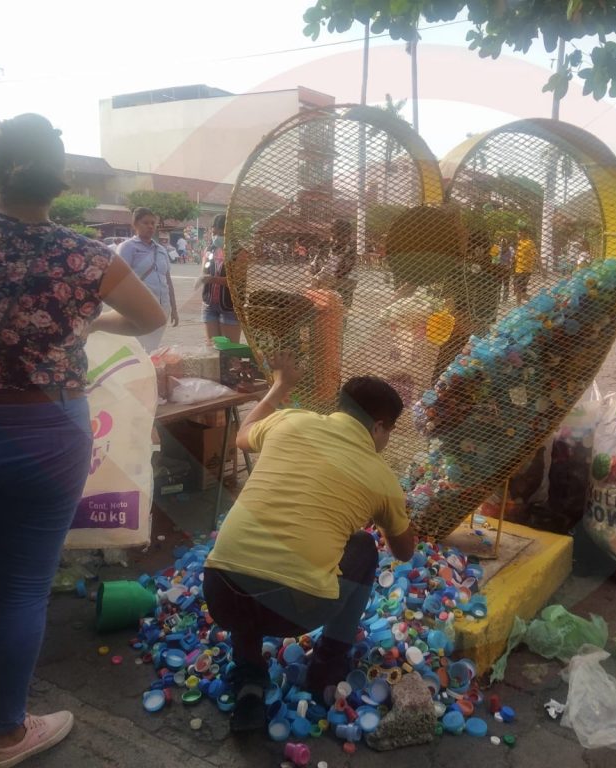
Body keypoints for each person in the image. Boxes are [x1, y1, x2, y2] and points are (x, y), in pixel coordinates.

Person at [0, 113, 165, 768]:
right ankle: (6, 734)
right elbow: (151, 317)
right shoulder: (88, 257)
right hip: (47, 430)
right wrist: (87, 322)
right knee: (25, 585)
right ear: (60, 181)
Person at [203, 355, 416, 731]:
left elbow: (242, 435)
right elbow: (404, 550)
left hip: (220, 592)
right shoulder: (382, 477)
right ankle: (326, 669)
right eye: (389, 432)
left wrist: (280, 386)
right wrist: (389, 512)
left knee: (253, 559)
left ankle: (249, 678)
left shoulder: (290, 420)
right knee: (363, 548)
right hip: (292, 612)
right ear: (379, 427)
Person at [117, 208, 179, 352]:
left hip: (163, 308)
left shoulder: (161, 250)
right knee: (137, 348)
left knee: (152, 347)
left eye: (153, 223)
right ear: (135, 224)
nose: (150, 226)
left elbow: (168, 281)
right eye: (145, 223)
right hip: (140, 308)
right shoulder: (128, 248)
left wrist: (174, 309)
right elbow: (119, 281)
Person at [200, 212, 241, 343]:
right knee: (213, 348)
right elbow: (204, 272)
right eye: (214, 233)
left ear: (228, 232)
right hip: (209, 304)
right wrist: (203, 277)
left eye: (220, 234)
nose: (216, 237)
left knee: (230, 349)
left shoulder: (239, 252)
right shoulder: (210, 250)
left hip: (230, 307)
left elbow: (236, 282)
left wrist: (212, 279)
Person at [311, 218, 358, 308]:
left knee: (338, 309)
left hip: (341, 287)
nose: (336, 239)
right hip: (324, 286)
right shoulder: (326, 247)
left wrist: (330, 281)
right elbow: (314, 267)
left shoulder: (350, 250)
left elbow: (346, 273)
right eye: (334, 234)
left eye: (341, 235)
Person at [513, 226, 538, 303]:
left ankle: (519, 306)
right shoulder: (519, 242)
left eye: (520, 232)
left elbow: (536, 255)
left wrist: (542, 269)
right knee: (520, 291)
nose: (518, 234)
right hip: (517, 270)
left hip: (526, 270)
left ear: (525, 233)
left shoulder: (530, 243)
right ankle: (531, 302)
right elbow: (516, 257)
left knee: (519, 290)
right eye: (518, 232)